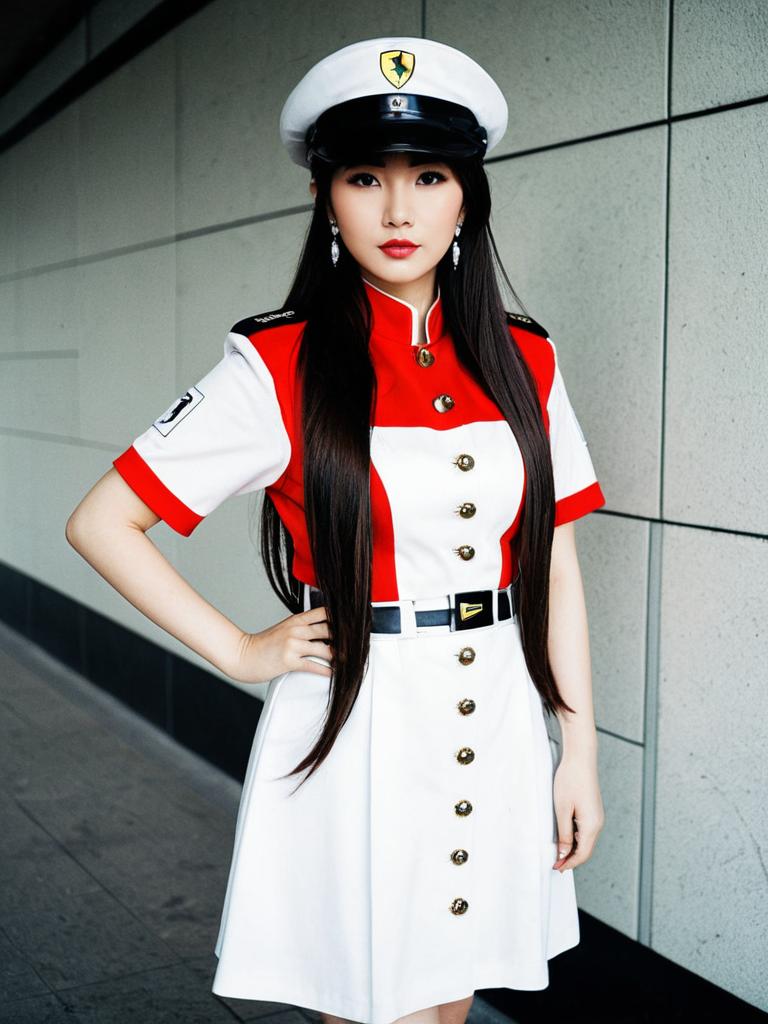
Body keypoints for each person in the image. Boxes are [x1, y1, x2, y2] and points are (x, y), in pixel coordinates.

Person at [65, 34, 607, 1024]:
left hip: (496, 708)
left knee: (449, 997)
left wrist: (578, 750)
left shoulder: (525, 359)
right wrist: (238, 648)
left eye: (430, 176)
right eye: (365, 177)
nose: (398, 210)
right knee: (367, 1003)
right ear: (326, 198)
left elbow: (555, 564)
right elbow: (104, 521)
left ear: (466, 199)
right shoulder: (276, 364)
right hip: (358, 719)